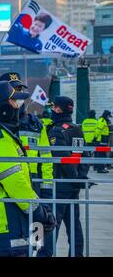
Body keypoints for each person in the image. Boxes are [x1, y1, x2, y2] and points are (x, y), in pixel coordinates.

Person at [0, 81, 55, 257]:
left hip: (2, 219)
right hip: (5, 222)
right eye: (14, 102)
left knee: (35, 250)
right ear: (3, 107)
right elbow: (14, 182)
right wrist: (38, 211)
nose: (18, 106)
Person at [0, 72, 55, 257]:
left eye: (21, 89)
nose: (19, 95)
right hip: (7, 187)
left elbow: (46, 158)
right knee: (15, 241)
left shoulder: (35, 124)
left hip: (33, 186)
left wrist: (46, 189)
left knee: (37, 237)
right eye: (15, 90)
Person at [47, 96, 89, 257]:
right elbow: (85, 156)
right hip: (73, 184)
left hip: (61, 183)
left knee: (51, 224)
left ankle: (46, 254)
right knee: (74, 225)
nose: (52, 110)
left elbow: (61, 158)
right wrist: (80, 177)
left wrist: (73, 177)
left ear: (59, 109)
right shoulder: (76, 128)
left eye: (53, 107)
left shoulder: (57, 130)